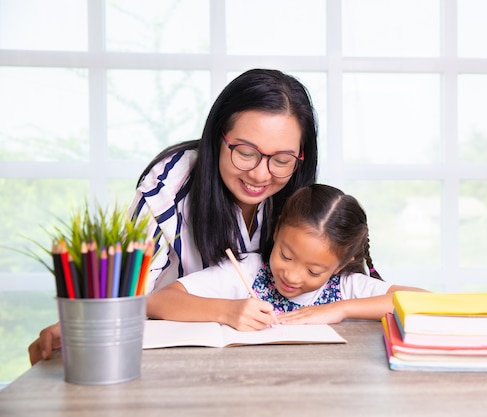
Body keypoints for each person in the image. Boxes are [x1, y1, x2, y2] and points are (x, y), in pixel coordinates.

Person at [28, 68, 319, 364]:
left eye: (282, 160)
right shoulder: (171, 184)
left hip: (271, 355)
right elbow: (132, 293)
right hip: (171, 356)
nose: (259, 174)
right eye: (245, 153)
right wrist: (85, 321)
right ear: (218, 136)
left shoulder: (301, 197)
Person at [147, 184, 427, 327]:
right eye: (286, 255)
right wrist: (227, 311)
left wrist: (339, 309)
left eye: (314, 271)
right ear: (278, 228)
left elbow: (425, 301)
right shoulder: (248, 270)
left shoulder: (345, 288)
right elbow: (157, 302)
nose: (292, 275)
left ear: (340, 265)